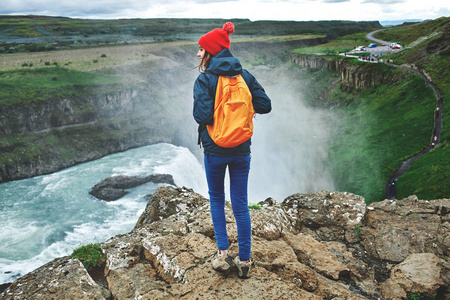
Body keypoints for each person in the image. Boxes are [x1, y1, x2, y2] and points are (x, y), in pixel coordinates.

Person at [193, 22, 272, 279]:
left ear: (212, 52)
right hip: (241, 150)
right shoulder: (244, 76)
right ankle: (246, 259)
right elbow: (265, 105)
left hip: (214, 151)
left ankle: (223, 254)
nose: (198, 54)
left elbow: (202, 115)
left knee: (216, 198)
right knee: (240, 204)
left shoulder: (204, 79)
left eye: (201, 49)